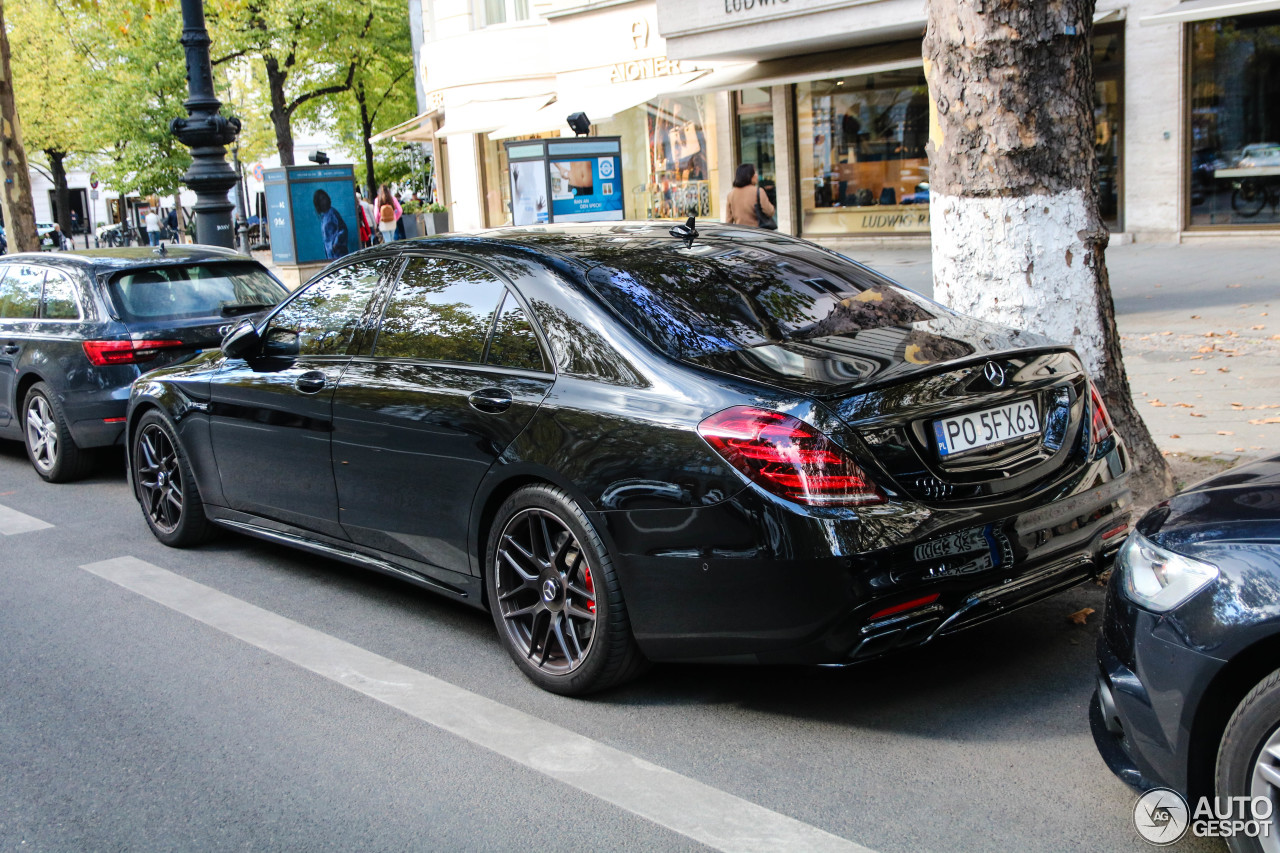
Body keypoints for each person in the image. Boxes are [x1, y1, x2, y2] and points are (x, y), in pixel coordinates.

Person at [724, 163, 775, 228]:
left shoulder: (731, 194)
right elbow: (770, 211)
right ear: (749, 176)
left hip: (740, 233)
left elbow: (728, 221)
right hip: (757, 233)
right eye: (755, 173)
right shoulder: (758, 191)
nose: (757, 175)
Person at [312, 189, 349, 260]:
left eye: (324, 198)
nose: (324, 201)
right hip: (330, 255)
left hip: (338, 254)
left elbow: (343, 229)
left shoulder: (332, 213)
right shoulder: (324, 217)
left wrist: (335, 244)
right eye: (321, 200)